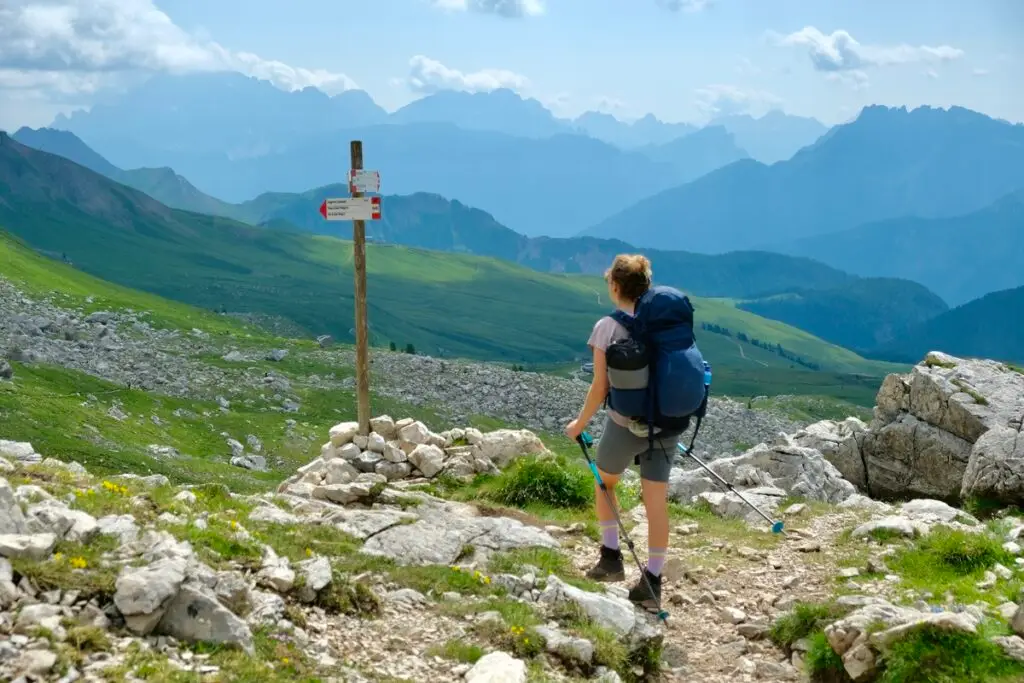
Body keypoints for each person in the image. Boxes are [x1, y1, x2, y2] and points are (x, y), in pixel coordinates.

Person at [564, 253, 679, 608]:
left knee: (605, 482)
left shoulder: (606, 327)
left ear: (615, 286)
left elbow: (600, 387)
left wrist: (578, 425)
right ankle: (653, 581)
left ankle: (611, 559)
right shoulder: (665, 322)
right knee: (656, 501)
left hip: (624, 424)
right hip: (666, 422)